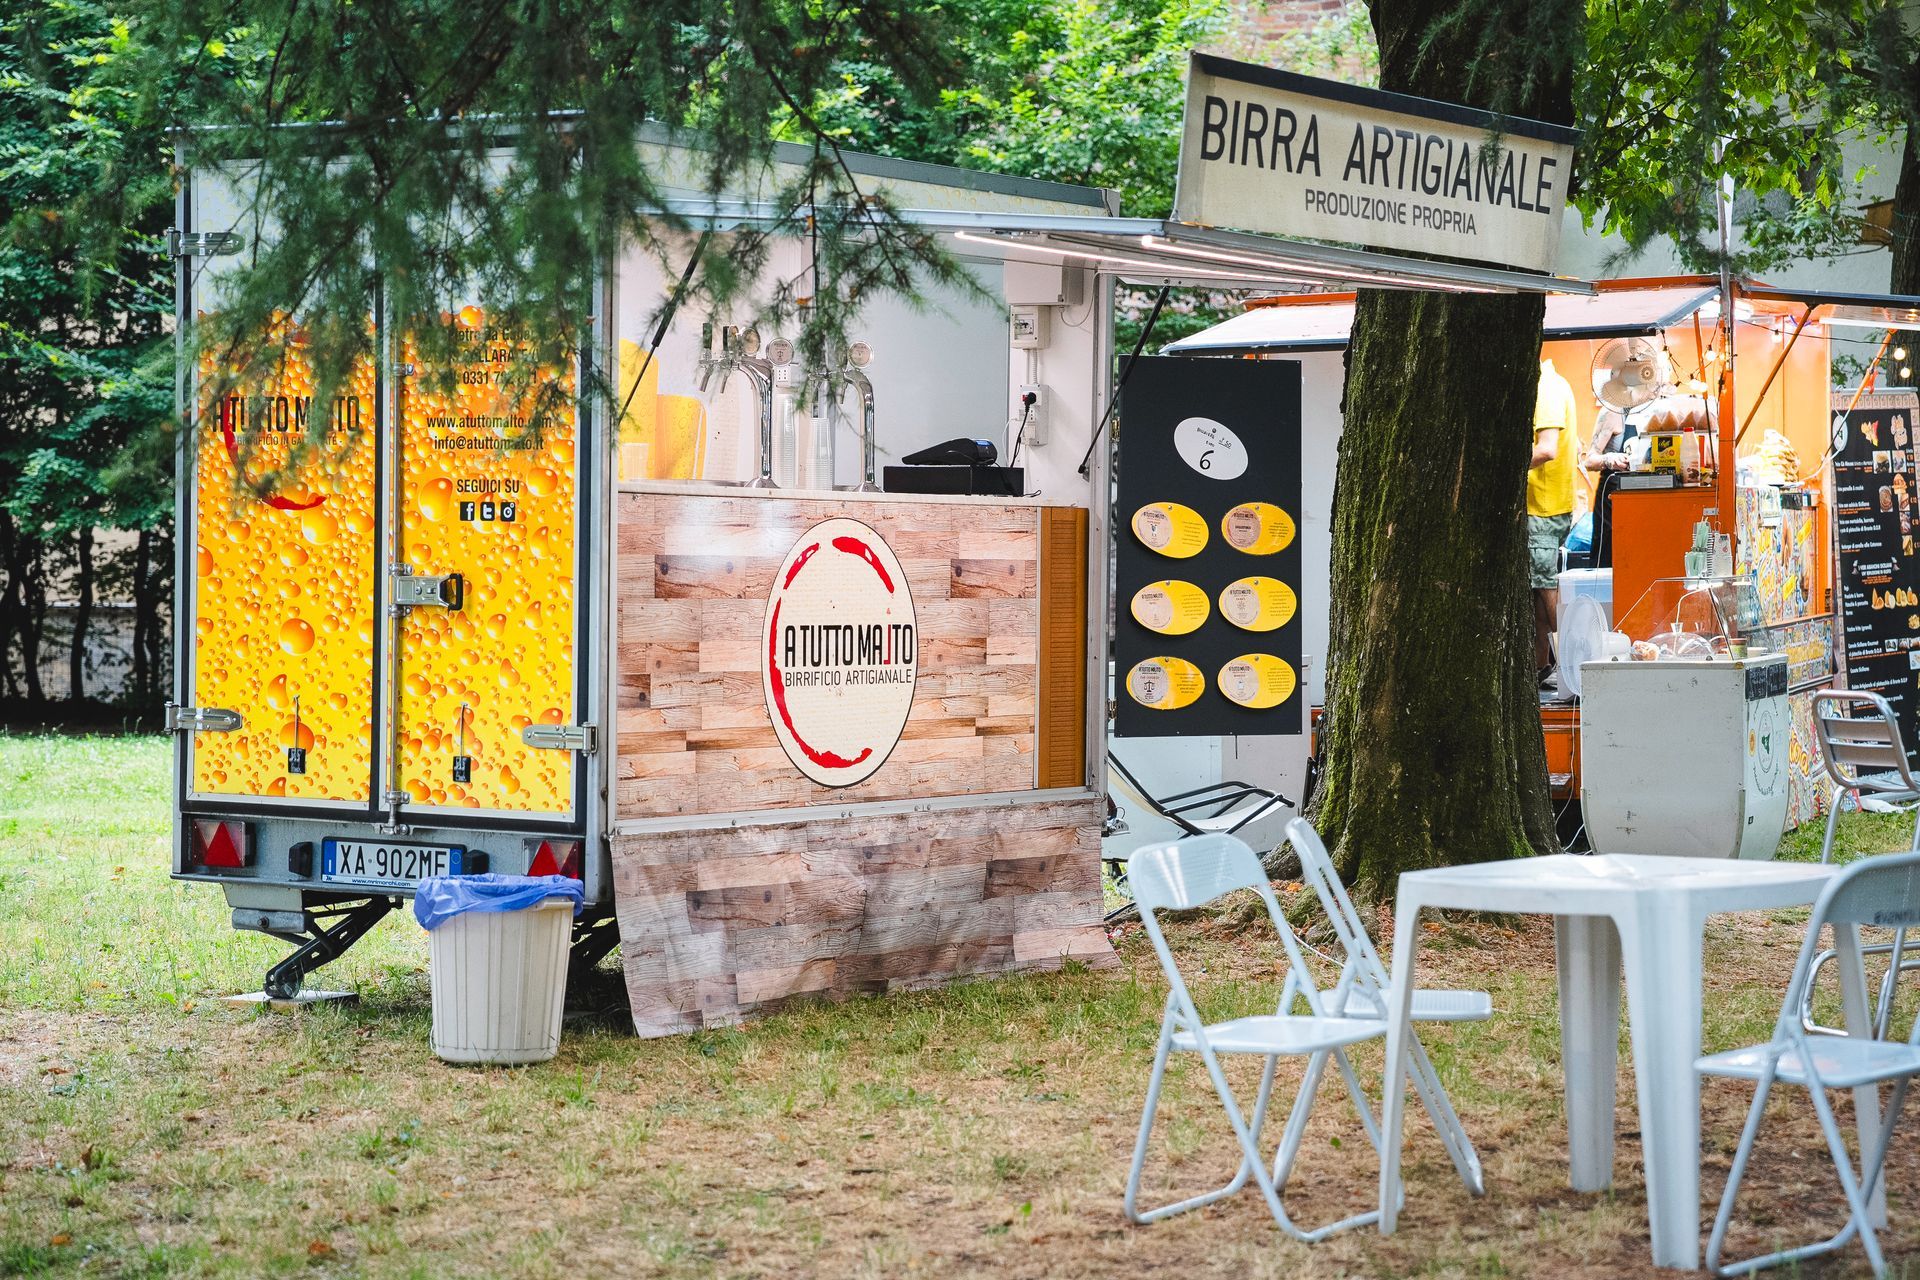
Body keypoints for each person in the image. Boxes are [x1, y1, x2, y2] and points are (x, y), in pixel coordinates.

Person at [1529, 358, 1578, 686]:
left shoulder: (1545, 388)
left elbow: (1546, 449)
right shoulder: (1555, 381)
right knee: (1538, 590)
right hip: (1547, 504)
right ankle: (1541, 667)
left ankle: (1570, 667)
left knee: (1547, 588)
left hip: (1545, 506)